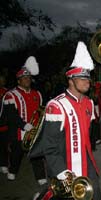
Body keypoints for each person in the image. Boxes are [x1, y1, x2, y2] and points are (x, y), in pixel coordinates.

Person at [30, 41, 101, 199]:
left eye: (88, 78)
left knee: (95, 193)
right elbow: (49, 146)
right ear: (71, 80)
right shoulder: (56, 106)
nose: (87, 82)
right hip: (63, 163)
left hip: (86, 161)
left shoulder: (89, 103)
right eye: (82, 78)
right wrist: (61, 171)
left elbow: (87, 136)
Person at [1, 56, 47, 188]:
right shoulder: (11, 95)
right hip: (18, 131)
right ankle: (12, 170)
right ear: (19, 80)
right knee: (16, 154)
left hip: (34, 130)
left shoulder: (37, 93)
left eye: (28, 78)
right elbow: (11, 115)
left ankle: (40, 177)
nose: (27, 80)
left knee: (36, 154)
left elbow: (41, 111)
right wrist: (23, 125)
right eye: (24, 78)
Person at [0, 75, 9, 174]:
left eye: (3, 80)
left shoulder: (7, 92)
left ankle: (4, 164)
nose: (2, 82)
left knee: (4, 146)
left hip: (4, 125)